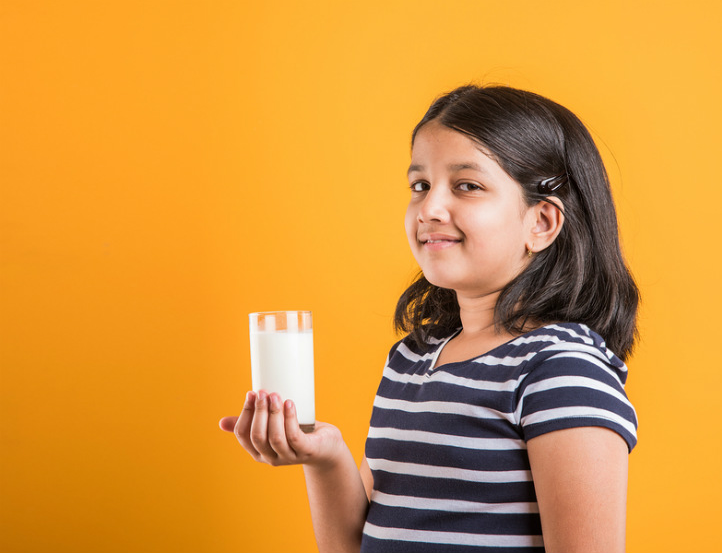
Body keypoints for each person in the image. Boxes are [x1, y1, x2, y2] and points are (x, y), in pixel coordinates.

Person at [219, 84, 640, 553]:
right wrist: (326, 458)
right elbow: (354, 547)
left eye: (467, 186)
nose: (429, 209)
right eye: (420, 186)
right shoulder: (411, 359)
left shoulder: (562, 370)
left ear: (540, 222)